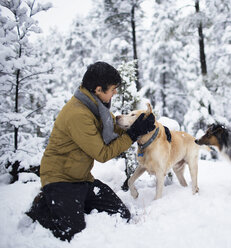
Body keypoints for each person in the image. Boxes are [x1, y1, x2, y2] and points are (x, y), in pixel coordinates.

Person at [25, 61, 155, 241]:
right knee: (70, 231)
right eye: (112, 89)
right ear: (98, 89)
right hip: (60, 180)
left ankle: (73, 205)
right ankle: (44, 205)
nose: (115, 92)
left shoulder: (96, 107)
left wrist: (136, 126)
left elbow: (116, 130)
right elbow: (102, 154)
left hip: (82, 180)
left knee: (120, 213)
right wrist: (132, 136)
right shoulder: (78, 114)